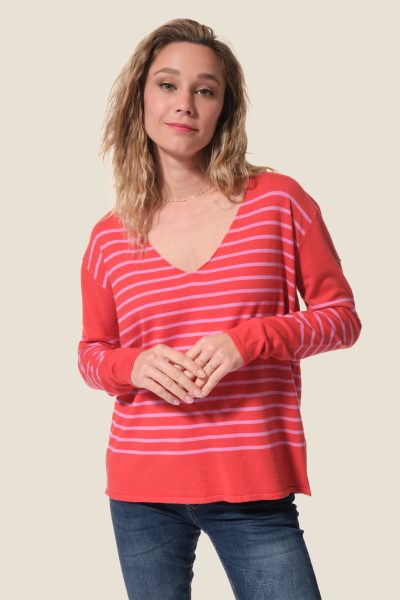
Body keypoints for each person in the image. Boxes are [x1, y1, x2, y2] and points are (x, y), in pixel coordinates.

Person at [77, 17, 362, 600]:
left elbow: (342, 318)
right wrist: (133, 365)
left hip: (251, 485)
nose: (185, 103)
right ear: (140, 100)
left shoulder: (278, 201)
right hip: (140, 489)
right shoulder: (109, 236)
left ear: (223, 109)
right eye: (167, 85)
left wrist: (248, 341)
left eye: (204, 90)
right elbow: (92, 354)